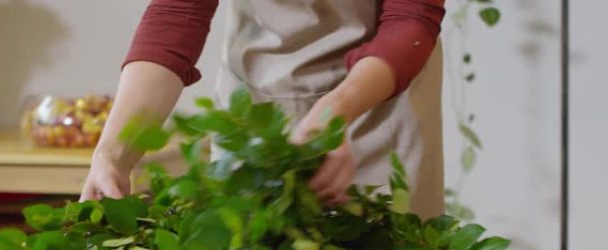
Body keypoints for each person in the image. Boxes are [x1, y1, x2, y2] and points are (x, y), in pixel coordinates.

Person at [80, 0, 446, 219]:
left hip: (377, 103)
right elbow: (177, 16)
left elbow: (410, 19)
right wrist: (113, 154)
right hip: (257, 96)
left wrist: (337, 111)